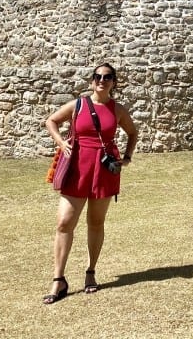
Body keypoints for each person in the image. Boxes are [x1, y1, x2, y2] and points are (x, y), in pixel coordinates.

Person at [42, 62, 138, 304]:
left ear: (114, 82)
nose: (101, 80)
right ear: (92, 80)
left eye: (107, 77)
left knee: (96, 222)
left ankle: (90, 272)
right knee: (64, 222)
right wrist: (61, 143)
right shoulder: (79, 104)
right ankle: (58, 279)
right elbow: (51, 121)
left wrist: (126, 158)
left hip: (104, 170)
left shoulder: (117, 109)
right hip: (77, 169)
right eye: (97, 76)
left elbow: (133, 132)